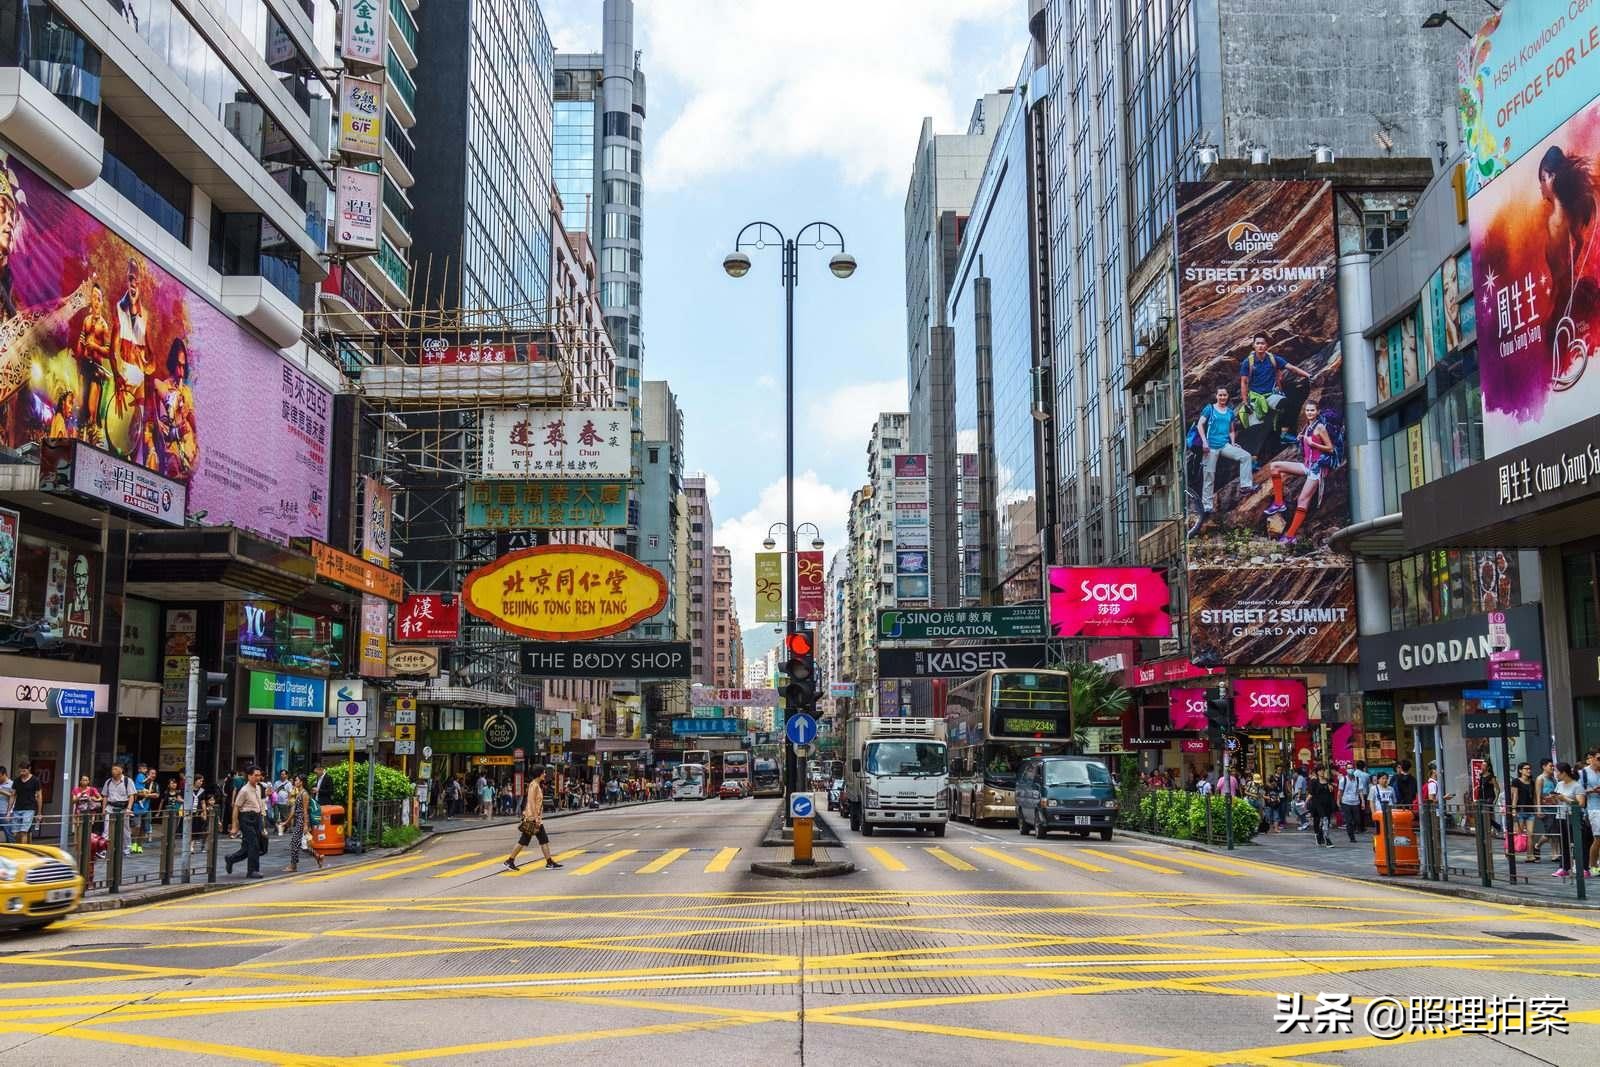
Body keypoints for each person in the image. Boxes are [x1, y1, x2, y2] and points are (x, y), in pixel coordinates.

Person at [1265, 401, 1336, 546]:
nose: (1309, 413)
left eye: (1312, 410)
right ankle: (1279, 503)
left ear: (1317, 412)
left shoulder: (1320, 427)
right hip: (1307, 465)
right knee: (1275, 466)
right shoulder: (1307, 427)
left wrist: (1314, 444)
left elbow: (1330, 448)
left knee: (1302, 500)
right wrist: (1300, 439)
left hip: (1317, 469)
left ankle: (1290, 536)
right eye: (1308, 410)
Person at [1189, 385, 1254, 536]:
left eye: (1225, 395)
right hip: (1210, 447)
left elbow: (1231, 430)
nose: (1223, 397)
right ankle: (1207, 506)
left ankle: (1246, 485)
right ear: (1216, 396)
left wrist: (1233, 443)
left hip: (1224, 445)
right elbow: (1200, 425)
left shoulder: (1230, 412)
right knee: (1209, 475)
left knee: (1245, 456)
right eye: (1220, 395)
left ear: (1227, 396)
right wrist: (1204, 442)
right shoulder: (1209, 409)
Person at [1237, 333, 1312, 437]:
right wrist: (1245, 402)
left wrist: (1308, 375)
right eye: (1257, 343)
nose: (1260, 346)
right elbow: (1244, 382)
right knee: (1257, 429)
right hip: (1256, 398)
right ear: (1253, 345)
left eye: (1262, 343)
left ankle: (1284, 434)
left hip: (1270, 395)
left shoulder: (1273, 359)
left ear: (1266, 345)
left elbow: (1291, 368)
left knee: (1286, 404)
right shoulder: (1248, 362)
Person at [504, 764, 561, 872]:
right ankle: (509, 861)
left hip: (536, 818)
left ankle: (549, 862)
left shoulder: (537, 785)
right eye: (543, 772)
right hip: (532, 818)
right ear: (539, 773)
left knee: (543, 840)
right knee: (523, 841)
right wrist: (536, 818)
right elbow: (531, 802)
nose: (545, 774)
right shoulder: (533, 785)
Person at [225, 767, 267, 878]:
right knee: (254, 844)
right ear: (249, 776)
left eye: (259, 775)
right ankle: (252, 871)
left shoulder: (259, 788)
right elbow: (236, 807)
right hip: (247, 818)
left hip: (257, 817)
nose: (258, 777)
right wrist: (235, 826)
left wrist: (262, 822)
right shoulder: (244, 790)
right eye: (255, 775)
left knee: (250, 847)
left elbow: (259, 805)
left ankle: (231, 858)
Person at [1552, 762, 1585, 878]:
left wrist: (1564, 798)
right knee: (1563, 842)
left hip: (1573, 817)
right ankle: (1564, 867)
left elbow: (1581, 804)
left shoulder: (1577, 786)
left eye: (1557, 771)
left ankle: (1580, 866)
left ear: (1564, 773)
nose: (1555, 773)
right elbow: (1557, 801)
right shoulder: (1559, 784)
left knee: (1577, 842)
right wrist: (1554, 798)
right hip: (1561, 815)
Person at [285, 773, 323, 873]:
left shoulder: (304, 794)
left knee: (295, 843)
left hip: (302, 821)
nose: (295, 782)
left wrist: (306, 825)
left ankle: (293, 866)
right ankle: (318, 856)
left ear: (301, 782)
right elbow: (294, 810)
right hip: (298, 820)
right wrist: (287, 822)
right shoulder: (299, 793)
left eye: (297, 780)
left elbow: (305, 811)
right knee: (302, 845)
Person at [102, 763, 135, 855]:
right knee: (106, 830)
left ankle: (127, 849)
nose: (113, 771)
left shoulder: (128, 781)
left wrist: (129, 808)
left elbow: (131, 796)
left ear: (121, 770)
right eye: (112, 769)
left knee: (125, 830)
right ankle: (103, 849)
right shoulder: (108, 781)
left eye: (116, 769)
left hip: (123, 808)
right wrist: (103, 809)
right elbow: (105, 796)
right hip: (110, 807)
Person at [1579, 749, 1600, 877]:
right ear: (1591, 758)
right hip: (1593, 808)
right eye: (1598, 758)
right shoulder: (1583, 773)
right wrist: (1592, 790)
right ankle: (1593, 865)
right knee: (1598, 838)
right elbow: (1579, 791)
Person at [1511, 762, 1537, 861]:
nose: (1529, 770)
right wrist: (1513, 809)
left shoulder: (1532, 782)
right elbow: (1515, 796)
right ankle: (1509, 850)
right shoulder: (1516, 781)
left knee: (1531, 834)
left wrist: (1537, 808)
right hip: (1520, 810)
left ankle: (1530, 855)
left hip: (1530, 811)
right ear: (1520, 770)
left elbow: (1534, 797)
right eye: (1526, 769)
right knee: (1518, 833)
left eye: (1529, 768)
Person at [1534, 757, 1559, 862]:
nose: (1552, 768)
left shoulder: (1553, 779)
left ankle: (1555, 853)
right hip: (1546, 809)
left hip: (1555, 808)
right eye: (1550, 766)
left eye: (1553, 766)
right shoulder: (1540, 779)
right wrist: (1539, 809)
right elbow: (1538, 795)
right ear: (1544, 767)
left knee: (1555, 832)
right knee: (1550, 832)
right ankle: (1537, 845)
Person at [1337, 762, 1368, 842]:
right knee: (1349, 821)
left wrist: (1363, 802)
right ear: (1346, 769)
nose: (1350, 769)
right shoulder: (1343, 780)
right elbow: (1340, 791)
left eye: (1351, 768)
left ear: (1354, 769)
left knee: (1357, 820)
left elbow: (1360, 791)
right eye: (1348, 768)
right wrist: (1338, 801)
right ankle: (1352, 837)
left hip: (1356, 802)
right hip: (1346, 802)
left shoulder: (1358, 779)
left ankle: (1354, 829)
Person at [11, 763, 40, 844]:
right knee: (16, 833)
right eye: (20, 771)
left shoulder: (35, 780)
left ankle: (22, 850)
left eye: (24, 771)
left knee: (24, 831)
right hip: (17, 808)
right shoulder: (16, 781)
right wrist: (9, 811)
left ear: (29, 769)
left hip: (29, 808)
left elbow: (39, 796)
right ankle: (19, 849)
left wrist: (39, 812)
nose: (22, 773)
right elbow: (13, 795)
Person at [1307, 770, 1336, 848]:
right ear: (1317, 772)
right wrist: (1306, 802)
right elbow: (1311, 793)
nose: (1321, 772)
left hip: (1327, 804)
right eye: (1319, 771)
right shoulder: (1314, 781)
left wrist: (1331, 787)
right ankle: (1326, 839)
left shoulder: (1327, 781)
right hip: (1318, 804)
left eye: (1322, 770)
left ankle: (1320, 835)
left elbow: (1331, 792)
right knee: (1321, 820)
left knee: (1326, 821)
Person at [130, 762, 154, 854]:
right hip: (137, 807)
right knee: (137, 826)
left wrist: (148, 794)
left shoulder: (153, 783)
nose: (152, 775)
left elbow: (155, 794)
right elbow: (138, 790)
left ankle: (139, 845)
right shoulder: (140, 776)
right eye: (151, 773)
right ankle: (133, 844)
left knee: (144, 828)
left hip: (147, 807)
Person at [0, 766, 13, 843]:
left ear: (4, 774)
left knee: (9, 834)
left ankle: (12, 849)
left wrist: (2, 791)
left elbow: (14, 796)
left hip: (5, 812)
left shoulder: (11, 784)